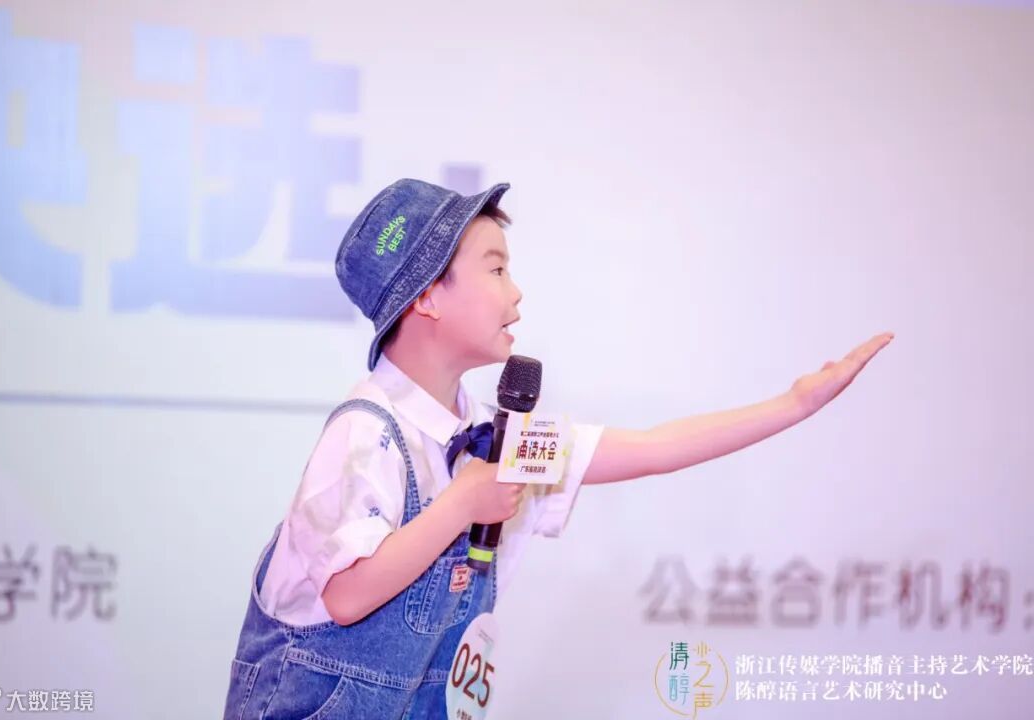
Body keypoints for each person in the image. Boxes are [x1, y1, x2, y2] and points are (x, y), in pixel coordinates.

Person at [222, 178, 894, 719]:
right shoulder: (365, 430)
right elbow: (345, 595)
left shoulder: (496, 436)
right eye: (496, 268)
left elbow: (651, 449)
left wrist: (794, 404)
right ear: (427, 297)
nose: (516, 294)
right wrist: (460, 505)